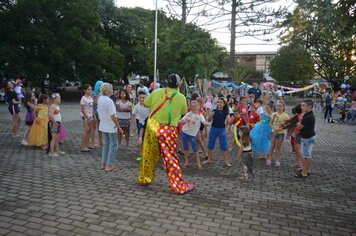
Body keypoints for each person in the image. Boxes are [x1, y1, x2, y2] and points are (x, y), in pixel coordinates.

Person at [137, 73, 195, 194]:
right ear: (178, 84)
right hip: (168, 129)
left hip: (152, 126)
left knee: (148, 153)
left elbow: (146, 103)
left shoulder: (157, 92)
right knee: (170, 157)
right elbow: (184, 111)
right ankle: (178, 186)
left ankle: (144, 178)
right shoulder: (181, 97)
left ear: (167, 83)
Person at [97, 83, 123, 172]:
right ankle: (109, 165)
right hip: (110, 125)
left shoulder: (100, 98)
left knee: (106, 144)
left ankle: (103, 163)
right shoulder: (109, 101)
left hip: (103, 124)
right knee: (113, 145)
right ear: (108, 91)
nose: (113, 91)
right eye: (111, 89)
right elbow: (113, 116)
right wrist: (119, 127)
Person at [180, 100, 210, 170]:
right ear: (190, 107)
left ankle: (198, 163)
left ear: (199, 107)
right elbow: (182, 120)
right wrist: (175, 121)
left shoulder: (200, 116)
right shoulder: (188, 114)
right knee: (186, 148)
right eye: (192, 106)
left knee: (195, 149)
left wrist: (208, 123)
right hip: (185, 132)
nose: (194, 108)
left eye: (195, 106)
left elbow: (204, 122)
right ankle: (186, 162)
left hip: (192, 135)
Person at [204, 97, 232, 167]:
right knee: (210, 144)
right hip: (213, 129)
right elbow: (209, 120)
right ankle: (209, 159)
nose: (219, 103)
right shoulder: (214, 110)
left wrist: (231, 120)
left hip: (222, 129)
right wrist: (210, 115)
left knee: (224, 145)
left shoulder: (226, 112)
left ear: (224, 104)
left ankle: (226, 161)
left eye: (221, 102)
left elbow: (229, 122)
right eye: (218, 102)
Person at [295, 100, 316, 178]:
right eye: (301, 105)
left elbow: (298, 127)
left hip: (308, 138)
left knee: (307, 156)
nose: (301, 107)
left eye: (304, 105)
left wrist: (297, 123)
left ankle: (304, 172)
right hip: (307, 137)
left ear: (309, 107)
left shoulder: (308, 116)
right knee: (306, 155)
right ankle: (306, 170)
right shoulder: (307, 115)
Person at [267, 101, 289, 166]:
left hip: (281, 133)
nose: (278, 107)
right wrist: (274, 129)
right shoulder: (274, 114)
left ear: (283, 107)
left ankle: (278, 160)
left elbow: (287, 125)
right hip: (273, 132)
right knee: (272, 146)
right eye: (277, 106)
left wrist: (279, 129)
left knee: (278, 147)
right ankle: (269, 159)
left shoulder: (286, 115)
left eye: (280, 106)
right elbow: (270, 123)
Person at [132, 91, 150, 161]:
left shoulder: (149, 105)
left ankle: (148, 153)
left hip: (148, 125)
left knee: (148, 139)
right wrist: (133, 126)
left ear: (146, 97)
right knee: (140, 139)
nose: (142, 99)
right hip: (140, 124)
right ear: (138, 98)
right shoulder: (137, 106)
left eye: (143, 97)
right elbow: (133, 116)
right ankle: (140, 153)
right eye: (140, 98)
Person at [284, 104, 303, 169]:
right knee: (297, 149)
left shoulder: (298, 117)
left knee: (298, 150)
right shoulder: (301, 115)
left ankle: (301, 164)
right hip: (299, 134)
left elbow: (292, 127)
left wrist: (288, 135)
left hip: (298, 135)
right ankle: (298, 162)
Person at [80, 85, 94, 152]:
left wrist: (93, 115)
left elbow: (91, 108)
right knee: (86, 130)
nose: (90, 90)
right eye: (89, 89)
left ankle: (87, 145)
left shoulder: (90, 97)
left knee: (89, 130)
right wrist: (87, 117)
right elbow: (82, 110)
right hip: (85, 116)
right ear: (85, 90)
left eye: (91, 89)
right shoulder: (83, 98)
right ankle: (83, 146)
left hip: (90, 115)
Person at [93, 80, 104, 147]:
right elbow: (94, 102)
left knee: (100, 128)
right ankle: (93, 142)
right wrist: (99, 95)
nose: (100, 87)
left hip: (100, 112)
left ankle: (100, 141)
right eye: (99, 85)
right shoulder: (93, 93)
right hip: (94, 112)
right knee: (93, 128)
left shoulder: (103, 93)